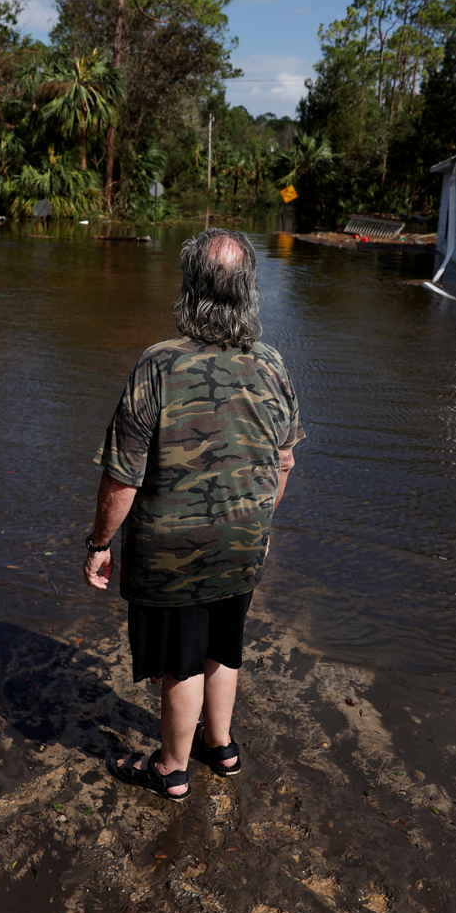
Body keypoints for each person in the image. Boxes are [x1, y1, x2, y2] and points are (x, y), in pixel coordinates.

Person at [84, 227, 303, 802]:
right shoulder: (272, 364)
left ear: (190, 289)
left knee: (182, 659)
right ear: (249, 291)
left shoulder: (158, 365)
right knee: (225, 643)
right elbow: (284, 460)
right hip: (246, 536)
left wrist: (99, 542)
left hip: (174, 547)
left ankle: (171, 768)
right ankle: (222, 747)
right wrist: (261, 522)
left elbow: (123, 475)